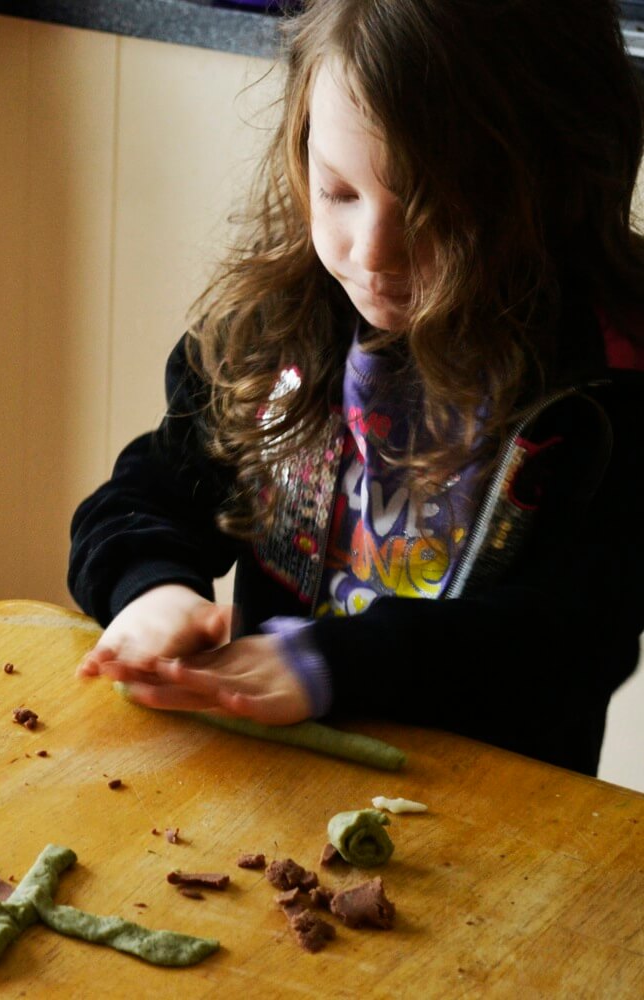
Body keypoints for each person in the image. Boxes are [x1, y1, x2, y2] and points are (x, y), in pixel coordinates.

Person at [67, 0, 644, 776]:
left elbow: (573, 642)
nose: (372, 254)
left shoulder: (611, 387)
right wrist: (150, 589)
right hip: (285, 784)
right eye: (339, 192)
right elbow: (145, 495)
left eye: (437, 210)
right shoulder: (275, 330)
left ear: (555, 181)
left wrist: (336, 665)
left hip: (497, 820)